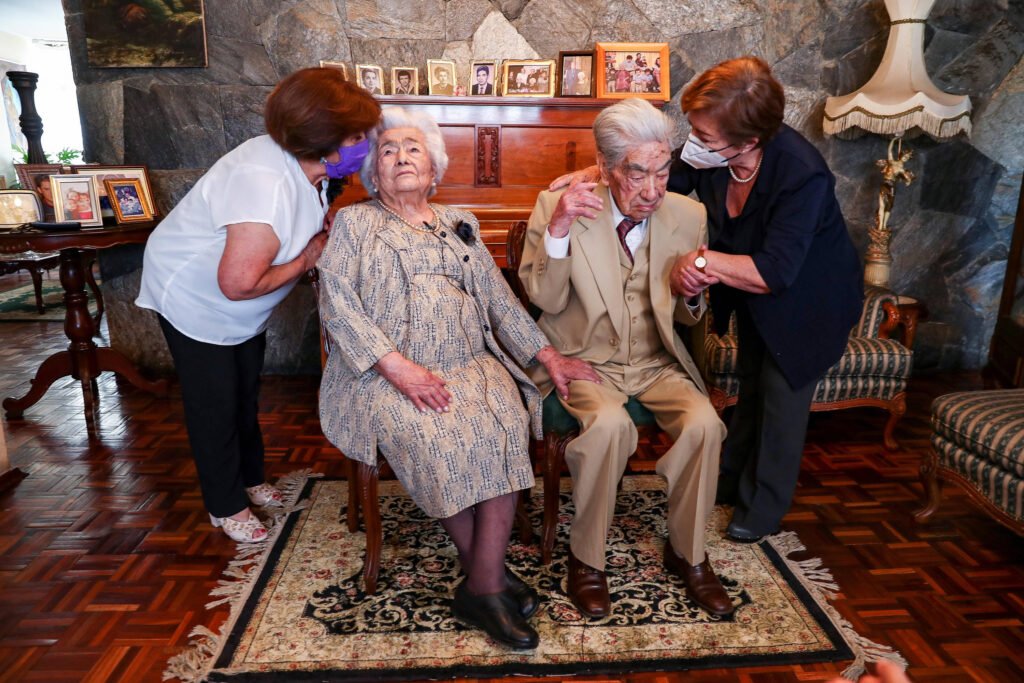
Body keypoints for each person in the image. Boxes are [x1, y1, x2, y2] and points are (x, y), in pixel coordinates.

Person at [549, 56, 863, 544]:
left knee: (781, 399)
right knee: (752, 385)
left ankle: (762, 509)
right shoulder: (714, 153)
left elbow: (775, 271)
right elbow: (656, 178)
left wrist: (698, 263)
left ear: (747, 142)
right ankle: (728, 482)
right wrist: (601, 171)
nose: (692, 142)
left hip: (809, 300)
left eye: (703, 135)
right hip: (753, 294)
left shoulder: (802, 175)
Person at [317, 107, 597, 649]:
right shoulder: (355, 223)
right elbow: (337, 304)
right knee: (440, 436)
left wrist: (550, 357)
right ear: (374, 171)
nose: (401, 157)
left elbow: (498, 300)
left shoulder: (458, 220)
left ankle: (482, 581)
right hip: (385, 372)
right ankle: (488, 582)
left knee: (502, 425)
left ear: (433, 169)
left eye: (413, 149)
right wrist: (396, 366)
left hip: (471, 363)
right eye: (388, 150)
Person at [136, 68, 381, 544]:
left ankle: (249, 479)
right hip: (195, 297)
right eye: (356, 136)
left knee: (244, 392)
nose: (364, 144)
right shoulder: (262, 184)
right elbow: (238, 284)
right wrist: (308, 257)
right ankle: (225, 504)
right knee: (215, 403)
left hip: (241, 305)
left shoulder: (309, 166)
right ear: (323, 140)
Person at [519, 98, 733, 620]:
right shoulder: (560, 205)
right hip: (583, 360)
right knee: (610, 427)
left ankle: (689, 554)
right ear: (607, 167)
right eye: (639, 175)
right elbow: (544, 298)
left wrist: (689, 294)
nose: (653, 190)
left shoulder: (689, 215)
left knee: (706, 425)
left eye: (663, 172)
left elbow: (687, 317)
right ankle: (586, 560)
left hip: (657, 363)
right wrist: (561, 229)